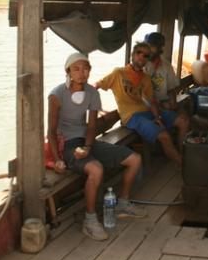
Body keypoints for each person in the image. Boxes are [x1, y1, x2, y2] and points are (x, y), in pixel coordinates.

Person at [48, 53, 144, 241]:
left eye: (85, 69)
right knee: (96, 169)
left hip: (87, 141)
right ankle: (90, 221)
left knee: (135, 159)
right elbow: (51, 131)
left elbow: (91, 126)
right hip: (67, 145)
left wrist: (88, 147)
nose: (82, 73)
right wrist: (58, 159)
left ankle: (122, 203)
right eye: (76, 69)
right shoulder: (57, 95)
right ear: (68, 71)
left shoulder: (92, 93)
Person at [95, 42, 184, 167]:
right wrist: (97, 108)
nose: (142, 57)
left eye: (146, 55)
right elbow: (96, 86)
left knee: (182, 120)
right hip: (132, 117)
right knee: (164, 136)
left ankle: (182, 153)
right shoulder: (118, 73)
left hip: (147, 111)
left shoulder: (146, 78)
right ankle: (185, 165)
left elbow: (152, 101)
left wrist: (157, 117)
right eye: (139, 53)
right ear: (133, 54)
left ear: (147, 60)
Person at [143, 32, 190, 148]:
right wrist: (161, 105)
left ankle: (181, 152)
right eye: (147, 46)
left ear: (160, 48)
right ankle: (179, 154)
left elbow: (171, 88)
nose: (148, 50)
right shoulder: (141, 64)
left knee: (187, 118)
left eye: (152, 47)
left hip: (162, 104)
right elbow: (141, 93)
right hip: (146, 107)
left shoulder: (165, 65)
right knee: (183, 122)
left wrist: (173, 102)